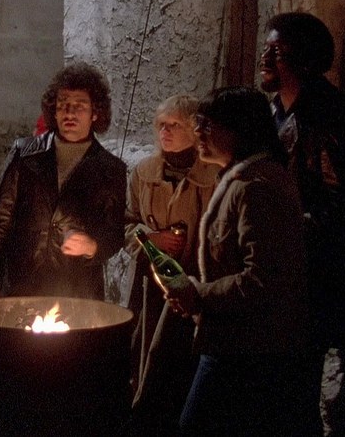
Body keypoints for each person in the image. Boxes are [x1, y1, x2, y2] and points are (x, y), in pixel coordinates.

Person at [167, 86, 321, 436]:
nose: (198, 132)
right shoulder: (237, 179)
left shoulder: (257, 187)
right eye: (198, 122)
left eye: (207, 124)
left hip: (248, 352)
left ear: (239, 129)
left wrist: (198, 294)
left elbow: (262, 280)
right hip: (234, 343)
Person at [260, 12, 345, 436]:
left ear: (304, 59)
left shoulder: (332, 117)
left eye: (276, 50)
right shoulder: (275, 112)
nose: (265, 58)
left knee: (312, 387)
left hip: (324, 269)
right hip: (288, 265)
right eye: (266, 48)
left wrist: (298, 227)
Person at [0, 62, 126, 300]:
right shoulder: (25, 154)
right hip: (24, 283)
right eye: (63, 104)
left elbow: (115, 232)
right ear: (53, 111)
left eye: (79, 106)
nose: (69, 113)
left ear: (95, 113)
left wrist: (92, 246)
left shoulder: (110, 169)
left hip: (77, 290)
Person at [123, 94, 218, 436]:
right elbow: (128, 222)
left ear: (193, 129)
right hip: (150, 284)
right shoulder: (144, 173)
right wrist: (151, 239)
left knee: (179, 363)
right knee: (143, 354)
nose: (165, 131)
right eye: (161, 125)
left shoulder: (213, 175)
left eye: (175, 125)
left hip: (191, 284)